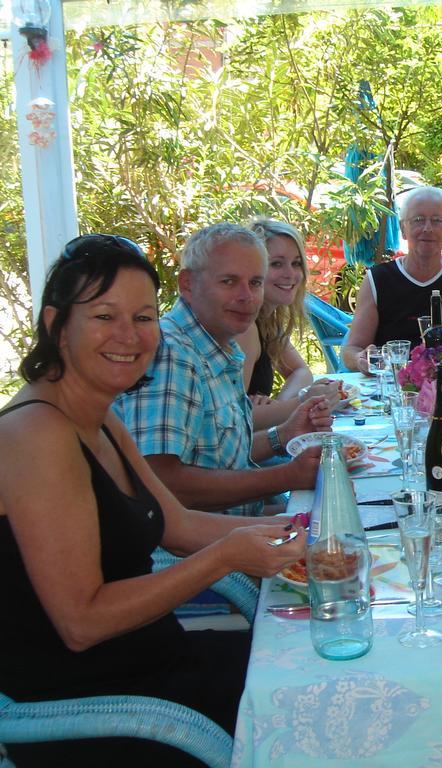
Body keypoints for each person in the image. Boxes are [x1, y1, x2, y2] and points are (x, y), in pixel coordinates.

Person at [0, 235, 307, 766]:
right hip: (95, 709)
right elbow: (82, 623)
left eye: (143, 318)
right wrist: (226, 556)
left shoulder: (96, 413)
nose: (130, 336)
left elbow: (178, 523)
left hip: (152, 658)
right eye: (104, 316)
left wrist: (307, 535)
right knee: (317, 709)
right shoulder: (37, 434)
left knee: (314, 663)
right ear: (56, 325)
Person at [117, 223, 330, 516]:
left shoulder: (218, 343)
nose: (247, 296)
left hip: (233, 529)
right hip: (190, 555)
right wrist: (286, 476)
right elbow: (161, 483)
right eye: (229, 281)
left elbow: (218, 460)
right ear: (187, 284)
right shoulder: (173, 354)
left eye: (255, 282)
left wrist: (283, 434)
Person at [342, 186, 442, 374]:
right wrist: (361, 359)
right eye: (418, 220)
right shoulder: (378, 279)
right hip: (398, 392)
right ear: (403, 229)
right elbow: (351, 349)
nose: (427, 228)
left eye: (436, 221)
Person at [238, 218, 342, 430]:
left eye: (296, 263)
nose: (291, 274)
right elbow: (237, 420)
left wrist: (277, 406)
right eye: (276, 263)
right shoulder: (245, 328)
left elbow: (301, 371)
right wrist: (302, 402)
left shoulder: (267, 319)